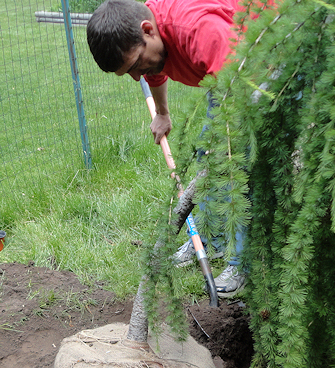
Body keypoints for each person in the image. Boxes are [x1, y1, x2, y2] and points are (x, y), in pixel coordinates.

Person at [87, 0, 255, 295]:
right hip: (225, 75)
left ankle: (241, 262)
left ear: (148, 30)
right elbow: (154, 73)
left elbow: (244, 86)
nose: (137, 76)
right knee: (209, 154)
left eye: (134, 65)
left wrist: (228, 140)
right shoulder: (152, 43)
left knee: (237, 164)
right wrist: (163, 113)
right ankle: (206, 242)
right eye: (127, 73)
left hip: (258, 70)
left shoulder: (200, 30)